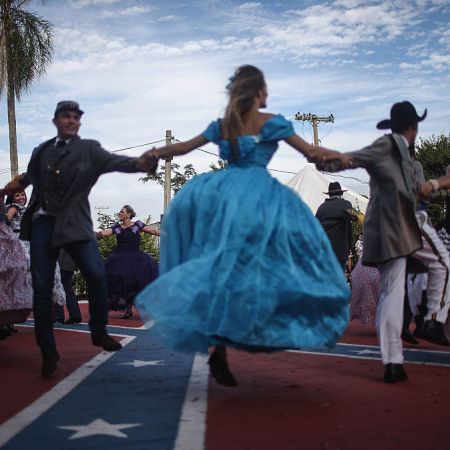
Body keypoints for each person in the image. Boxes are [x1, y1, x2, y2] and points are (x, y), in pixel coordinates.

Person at [136, 65, 352, 387]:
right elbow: (311, 153)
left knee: (226, 270)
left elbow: (180, 149)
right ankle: (264, 327)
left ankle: (222, 347)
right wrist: (343, 158)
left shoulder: (224, 125)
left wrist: (152, 154)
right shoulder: (272, 122)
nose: (268, 95)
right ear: (258, 91)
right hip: (260, 201)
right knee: (273, 262)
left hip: (222, 200)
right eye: (266, 89)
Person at [0, 100, 155, 378]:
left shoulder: (89, 149)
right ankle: (48, 352)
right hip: (43, 225)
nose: (71, 120)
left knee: (97, 275)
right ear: (56, 121)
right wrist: (4, 191)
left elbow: (120, 162)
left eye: (75, 117)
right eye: (66, 116)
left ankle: (98, 332)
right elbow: (23, 181)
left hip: (76, 226)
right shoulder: (41, 151)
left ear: (79, 122)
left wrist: (144, 163)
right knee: (43, 288)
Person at [319, 100, 443, 383]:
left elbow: (415, 192)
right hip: (397, 229)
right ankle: (433, 319)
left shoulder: (407, 160)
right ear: (413, 127)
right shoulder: (388, 146)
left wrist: (436, 190)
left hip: (385, 232)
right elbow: (354, 158)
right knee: (438, 266)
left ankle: (393, 361)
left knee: (392, 293)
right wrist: (327, 158)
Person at [97, 205, 160, 319]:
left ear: (129, 214)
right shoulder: (117, 227)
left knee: (137, 282)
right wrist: (93, 235)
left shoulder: (138, 225)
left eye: (122, 212)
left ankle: (130, 309)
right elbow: (105, 232)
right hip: (119, 258)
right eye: (120, 212)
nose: (119, 213)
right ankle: (125, 308)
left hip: (136, 258)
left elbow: (152, 230)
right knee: (118, 280)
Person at [315, 182, 358, 270]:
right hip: (339, 254)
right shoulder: (344, 204)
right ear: (341, 193)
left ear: (329, 194)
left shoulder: (321, 208)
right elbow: (355, 216)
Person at [55, 249, 82, 324]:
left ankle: (58, 315)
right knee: (67, 288)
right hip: (70, 262)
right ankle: (75, 315)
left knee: (56, 288)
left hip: (59, 261)